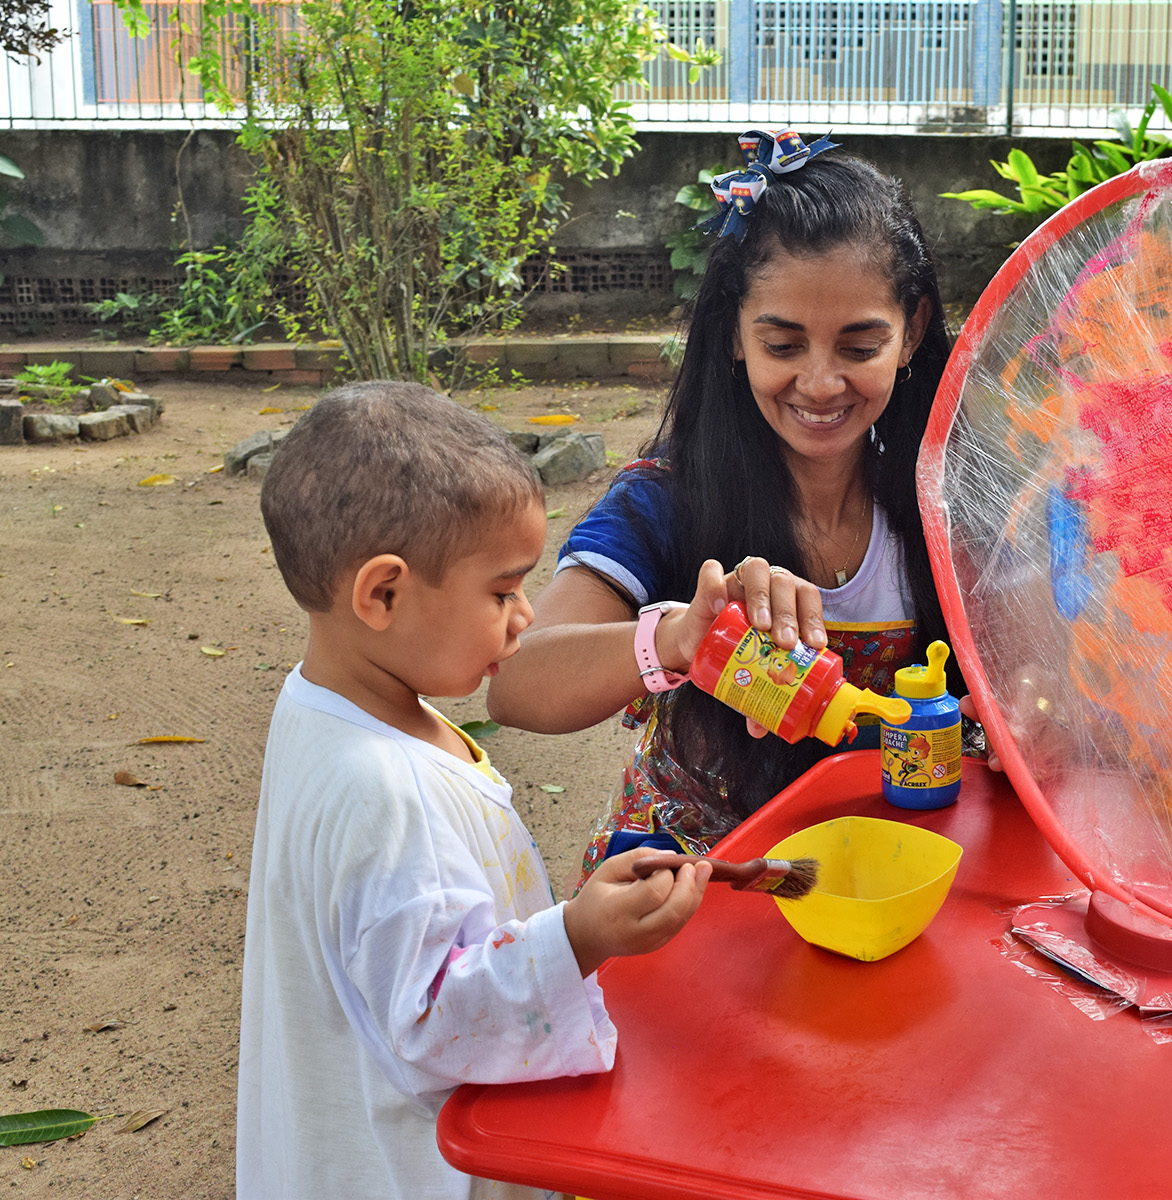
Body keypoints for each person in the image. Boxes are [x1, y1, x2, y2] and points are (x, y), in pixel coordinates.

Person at [237, 382, 711, 1200]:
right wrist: (580, 938)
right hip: (418, 1174)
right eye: (501, 592)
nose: (525, 617)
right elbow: (429, 1018)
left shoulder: (326, 703)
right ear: (382, 594)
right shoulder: (382, 790)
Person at [487, 130, 978, 879]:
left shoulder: (947, 501)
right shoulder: (665, 498)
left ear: (911, 332)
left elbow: (1044, 688)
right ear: (734, 335)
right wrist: (681, 637)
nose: (821, 384)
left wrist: (1006, 728)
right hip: (690, 886)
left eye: (859, 347)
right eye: (783, 345)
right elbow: (519, 683)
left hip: (880, 873)